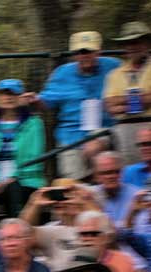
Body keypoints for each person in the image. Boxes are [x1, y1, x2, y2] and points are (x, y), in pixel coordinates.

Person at [34, 31, 120, 179]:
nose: (84, 55)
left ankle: (99, 183)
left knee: (92, 148)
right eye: (80, 52)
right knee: (72, 181)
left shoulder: (113, 66)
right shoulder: (62, 73)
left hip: (104, 130)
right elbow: (46, 101)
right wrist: (34, 100)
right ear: (74, 54)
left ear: (98, 51)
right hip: (70, 134)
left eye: (89, 51)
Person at [0, 81, 46, 215]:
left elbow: (35, 158)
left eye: (13, 93)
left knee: (13, 189)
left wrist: (12, 178)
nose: (8, 97)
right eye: (3, 93)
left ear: (21, 97)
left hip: (26, 180)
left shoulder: (34, 124)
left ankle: (16, 229)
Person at [103, 22, 151, 164]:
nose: (132, 47)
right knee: (129, 172)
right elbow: (111, 106)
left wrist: (121, 101)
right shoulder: (114, 74)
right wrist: (141, 100)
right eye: (128, 43)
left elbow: (116, 103)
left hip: (149, 124)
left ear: (146, 44)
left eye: (136, 42)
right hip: (124, 129)